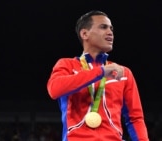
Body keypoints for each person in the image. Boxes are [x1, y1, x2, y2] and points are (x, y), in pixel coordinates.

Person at [46, 10, 149, 141]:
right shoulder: (67, 65)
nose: (110, 32)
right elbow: (54, 90)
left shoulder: (123, 73)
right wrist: (102, 72)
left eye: (111, 28)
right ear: (84, 34)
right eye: (103, 27)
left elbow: (135, 118)